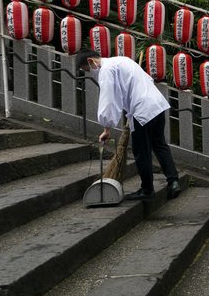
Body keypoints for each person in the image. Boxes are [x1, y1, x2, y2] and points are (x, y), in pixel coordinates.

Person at [76, 50, 181, 201]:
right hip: (157, 104)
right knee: (159, 145)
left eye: (87, 69)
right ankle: (173, 182)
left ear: (91, 61)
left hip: (142, 110)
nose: (90, 72)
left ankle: (147, 190)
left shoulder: (106, 69)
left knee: (141, 151)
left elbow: (109, 99)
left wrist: (106, 127)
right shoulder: (122, 60)